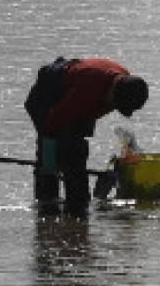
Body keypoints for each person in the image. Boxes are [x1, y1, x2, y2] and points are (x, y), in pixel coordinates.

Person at [25, 57, 148, 212]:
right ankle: (48, 206)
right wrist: (49, 159)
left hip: (75, 84)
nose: (114, 109)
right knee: (58, 155)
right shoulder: (86, 91)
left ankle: (77, 206)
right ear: (114, 92)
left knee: (76, 153)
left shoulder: (125, 83)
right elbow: (51, 125)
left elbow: (93, 111)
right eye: (117, 105)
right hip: (46, 94)